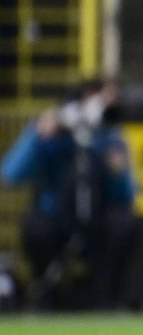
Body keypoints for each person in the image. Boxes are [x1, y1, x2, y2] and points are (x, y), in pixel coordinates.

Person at [1, 81, 135, 309]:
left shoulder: (109, 136)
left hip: (98, 219)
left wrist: (117, 170)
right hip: (56, 217)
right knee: (36, 228)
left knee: (124, 224)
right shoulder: (52, 134)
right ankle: (48, 298)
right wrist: (38, 135)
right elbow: (10, 174)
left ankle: (106, 298)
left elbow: (126, 196)